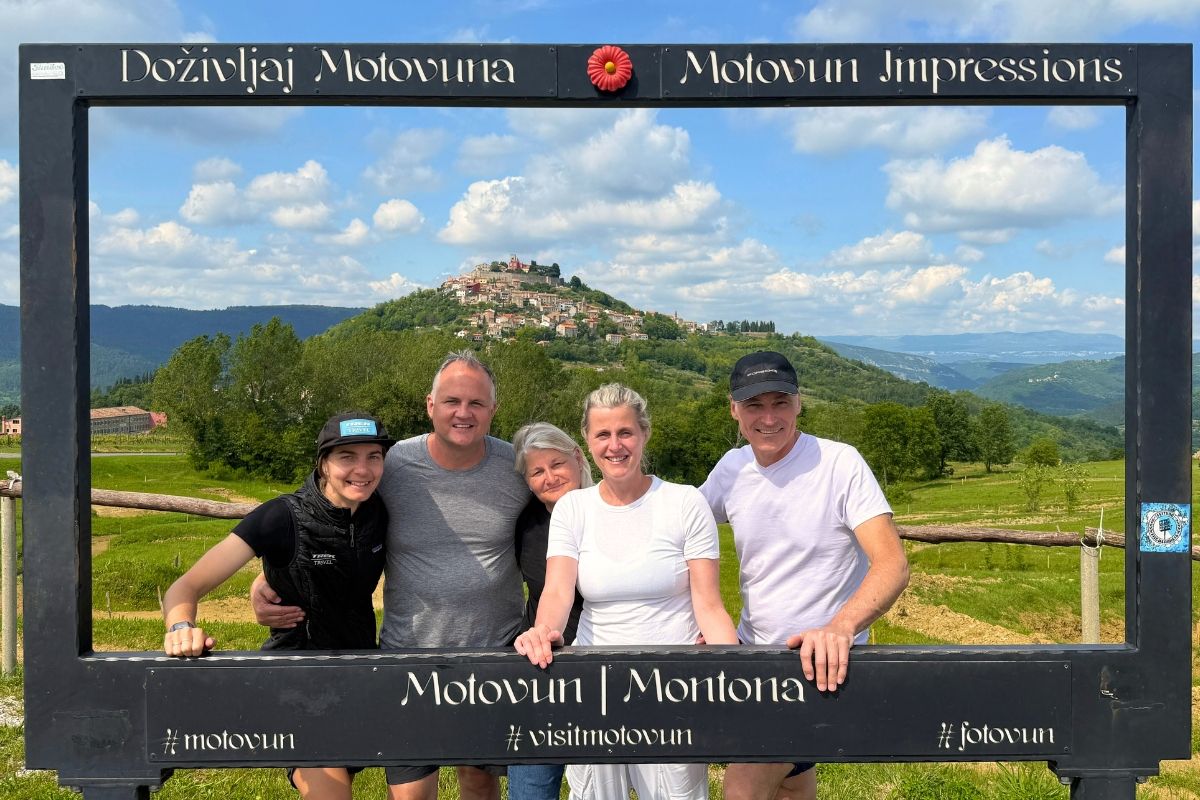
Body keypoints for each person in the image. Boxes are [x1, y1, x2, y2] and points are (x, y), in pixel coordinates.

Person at [253, 350, 530, 800]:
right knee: (411, 795)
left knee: (479, 785)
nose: (464, 413)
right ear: (430, 406)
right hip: (407, 656)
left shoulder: (515, 466)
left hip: (492, 656)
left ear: (494, 409)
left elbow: (564, 521)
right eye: (452, 401)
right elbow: (327, 517)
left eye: (477, 403)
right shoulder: (393, 464)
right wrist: (276, 577)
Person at [699, 351, 910, 800]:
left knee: (742, 789)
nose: (769, 418)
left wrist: (841, 628)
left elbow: (892, 562)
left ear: (800, 403)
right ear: (733, 410)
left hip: (823, 666)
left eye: (781, 402)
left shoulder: (840, 464)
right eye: (754, 405)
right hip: (754, 660)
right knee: (791, 786)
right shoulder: (731, 469)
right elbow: (677, 532)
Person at [515, 383, 737, 800]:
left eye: (625, 433)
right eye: (603, 434)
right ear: (587, 440)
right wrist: (544, 630)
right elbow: (558, 591)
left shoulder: (685, 503)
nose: (615, 446)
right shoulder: (573, 509)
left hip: (675, 692)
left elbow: (709, 604)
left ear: (645, 433)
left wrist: (732, 676)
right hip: (595, 691)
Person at [162, 411, 394, 800]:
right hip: (297, 679)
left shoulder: (380, 511)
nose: (362, 469)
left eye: (374, 456)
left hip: (358, 674)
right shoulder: (281, 516)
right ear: (322, 463)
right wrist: (181, 629)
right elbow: (184, 587)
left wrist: (266, 578)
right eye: (347, 457)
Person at [506, 421, 592, 800]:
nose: (549, 477)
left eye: (556, 464)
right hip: (542, 666)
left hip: (604, 668)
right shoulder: (524, 522)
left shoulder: (610, 509)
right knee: (530, 789)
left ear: (577, 457)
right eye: (536, 471)